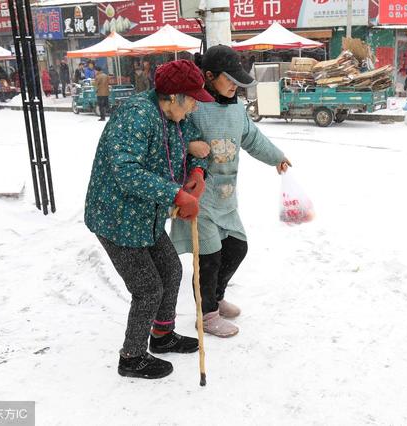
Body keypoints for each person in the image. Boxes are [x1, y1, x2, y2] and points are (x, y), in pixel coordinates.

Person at [84, 59, 215, 379]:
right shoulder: (137, 116)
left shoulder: (172, 113)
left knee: (171, 270)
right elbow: (127, 172)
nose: (195, 106)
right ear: (172, 97)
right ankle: (131, 357)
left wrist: (197, 171)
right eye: (192, 98)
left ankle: (162, 335)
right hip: (117, 216)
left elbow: (190, 133)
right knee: (147, 289)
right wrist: (176, 195)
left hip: (147, 214)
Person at [170, 45, 292, 338]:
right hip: (199, 198)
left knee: (237, 247)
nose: (235, 85)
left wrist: (276, 156)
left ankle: (217, 296)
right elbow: (176, 139)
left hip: (227, 197)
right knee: (208, 259)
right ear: (209, 76)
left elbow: (252, 138)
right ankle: (207, 315)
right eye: (229, 79)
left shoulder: (237, 109)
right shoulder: (193, 107)